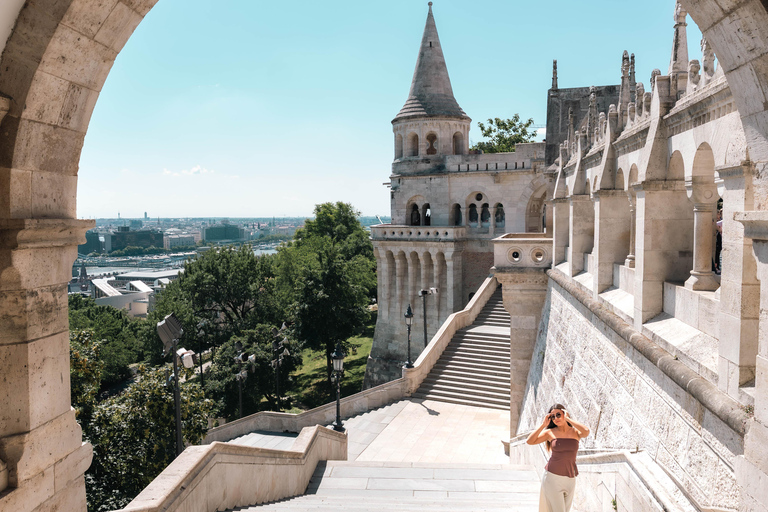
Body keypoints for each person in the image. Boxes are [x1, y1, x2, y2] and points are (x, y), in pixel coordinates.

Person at [526, 403, 591, 512]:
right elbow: (530, 441)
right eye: (552, 416)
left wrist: (568, 419)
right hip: (552, 477)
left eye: (558, 414)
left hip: (570, 479)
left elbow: (586, 431)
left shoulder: (575, 432)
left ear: (564, 413)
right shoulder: (550, 433)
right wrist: (543, 425)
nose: (556, 418)